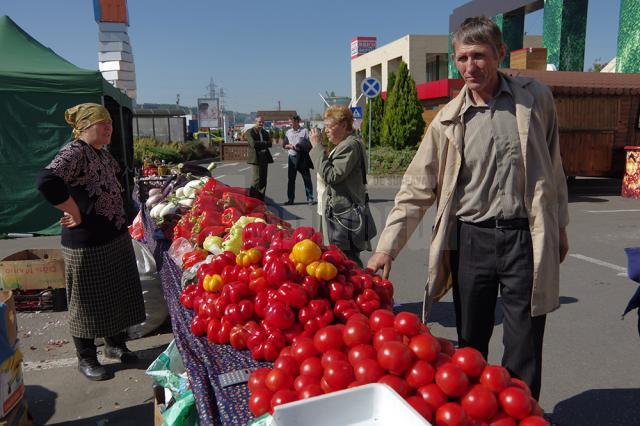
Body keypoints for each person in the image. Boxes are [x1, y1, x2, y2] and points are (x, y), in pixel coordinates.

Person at [367, 16, 569, 400]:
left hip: (524, 237)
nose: (469, 67)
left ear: (500, 54)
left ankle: (520, 411)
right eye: (462, 58)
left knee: (525, 340)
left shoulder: (534, 99)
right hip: (471, 241)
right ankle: (477, 411)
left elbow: (553, 166)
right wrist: (385, 248)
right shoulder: (446, 121)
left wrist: (558, 226)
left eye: (479, 56)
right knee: (471, 342)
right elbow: (415, 189)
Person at [36, 103, 145, 381]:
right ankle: (86, 358)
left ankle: (115, 346)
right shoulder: (75, 152)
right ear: (84, 127)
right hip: (87, 243)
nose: (109, 127)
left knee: (115, 294)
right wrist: (72, 209)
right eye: (102, 123)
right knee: (85, 301)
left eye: (109, 122)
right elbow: (47, 180)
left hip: (114, 237)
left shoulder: (101, 154)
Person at [310, 105, 370, 267]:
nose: (326, 131)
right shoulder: (345, 144)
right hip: (340, 213)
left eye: (330, 126)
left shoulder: (349, 146)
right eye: (325, 127)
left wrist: (316, 148)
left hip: (344, 215)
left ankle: (360, 288)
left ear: (344, 125)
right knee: (340, 257)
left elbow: (332, 176)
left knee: (347, 260)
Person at [284, 114, 314, 205]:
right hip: (292, 157)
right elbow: (284, 144)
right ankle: (290, 199)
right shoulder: (288, 132)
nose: (290, 124)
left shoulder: (305, 131)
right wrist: (289, 146)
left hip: (302, 157)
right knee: (291, 179)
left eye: (291, 122)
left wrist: (302, 146)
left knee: (307, 178)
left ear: (297, 121)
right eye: (289, 122)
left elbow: (310, 144)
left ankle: (310, 198)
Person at [246, 116, 273, 200]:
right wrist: (264, 143)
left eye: (262, 122)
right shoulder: (250, 131)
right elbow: (253, 143)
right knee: (256, 179)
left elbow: (270, 144)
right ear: (255, 122)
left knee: (263, 179)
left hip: (265, 156)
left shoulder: (265, 132)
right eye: (259, 122)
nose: (261, 124)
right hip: (256, 157)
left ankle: (261, 200)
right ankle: (252, 199)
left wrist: (261, 143)